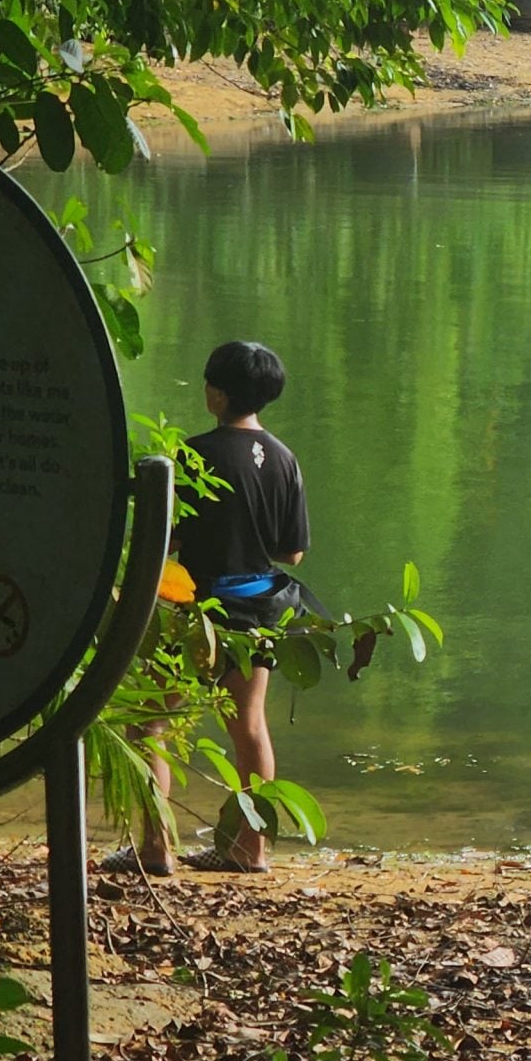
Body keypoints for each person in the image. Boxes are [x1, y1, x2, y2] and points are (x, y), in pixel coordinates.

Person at [106, 340, 318, 875]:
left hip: (196, 611)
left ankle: (156, 848)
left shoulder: (192, 455)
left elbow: (165, 539)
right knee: (249, 726)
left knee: (149, 723)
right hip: (260, 610)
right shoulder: (285, 458)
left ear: (217, 395)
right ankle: (250, 849)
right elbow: (292, 552)